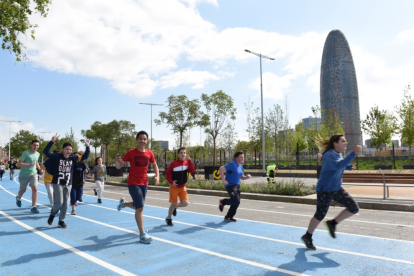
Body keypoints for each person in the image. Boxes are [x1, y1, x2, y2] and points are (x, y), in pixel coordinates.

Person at [301, 134, 361, 250]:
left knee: (353, 208)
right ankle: (307, 236)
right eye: (343, 141)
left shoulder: (337, 154)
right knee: (320, 215)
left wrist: (347, 166)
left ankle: (332, 223)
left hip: (336, 188)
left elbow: (338, 165)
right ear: (335, 143)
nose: (345, 143)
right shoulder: (329, 155)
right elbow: (337, 165)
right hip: (325, 189)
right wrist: (353, 153)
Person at [115, 131, 159, 243]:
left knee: (137, 205)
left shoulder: (149, 153)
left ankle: (123, 204)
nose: (142, 141)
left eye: (144, 139)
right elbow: (119, 166)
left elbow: (154, 165)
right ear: (136, 140)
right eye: (140, 138)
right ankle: (142, 234)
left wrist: (157, 176)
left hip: (144, 183)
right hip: (133, 183)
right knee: (140, 208)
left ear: (147, 141)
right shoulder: (131, 152)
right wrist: (117, 161)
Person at [43, 134, 90, 229]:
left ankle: (61, 220)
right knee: (59, 203)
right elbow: (46, 151)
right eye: (66, 149)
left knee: (66, 203)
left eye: (70, 150)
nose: (68, 151)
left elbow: (85, 156)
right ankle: (52, 214)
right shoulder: (56, 156)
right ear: (63, 149)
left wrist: (87, 147)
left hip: (68, 183)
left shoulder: (73, 157)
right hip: (58, 183)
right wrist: (52, 141)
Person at [164, 147, 195, 226]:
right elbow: (167, 173)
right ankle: (168, 218)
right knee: (173, 204)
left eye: (184, 153)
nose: (183, 154)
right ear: (178, 154)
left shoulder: (186, 163)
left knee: (185, 203)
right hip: (174, 187)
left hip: (183, 187)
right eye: (181, 153)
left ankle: (175, 208)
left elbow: (192, 171)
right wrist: (171, 182)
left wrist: (190, 161)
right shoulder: (174, 164)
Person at [218, 151, 251, 222]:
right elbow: (221, 168)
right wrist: (223, 180)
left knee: (237, 202)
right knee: (236, 200)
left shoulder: (241, 167)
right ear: (236, 158)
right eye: (241, 157)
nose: (243, 158)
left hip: (237, 185)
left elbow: (241, 177)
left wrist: (246, 177)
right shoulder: (232, 165)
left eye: (243, 157)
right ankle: (223, 202)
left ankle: (228, 217)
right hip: (230, 185)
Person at [16, 140, 44, 213]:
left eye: (37, 145)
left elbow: (36, 162)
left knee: (35, 189)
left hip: (33, 174)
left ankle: (33, 207)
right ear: (31, 145)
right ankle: (18, 198)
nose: (36, 147)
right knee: (23, 190)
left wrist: (39, 169)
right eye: (34, 145)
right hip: (24, 175)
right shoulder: (26, 153)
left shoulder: (37, 154)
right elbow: (18, 164)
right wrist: (29, 165)